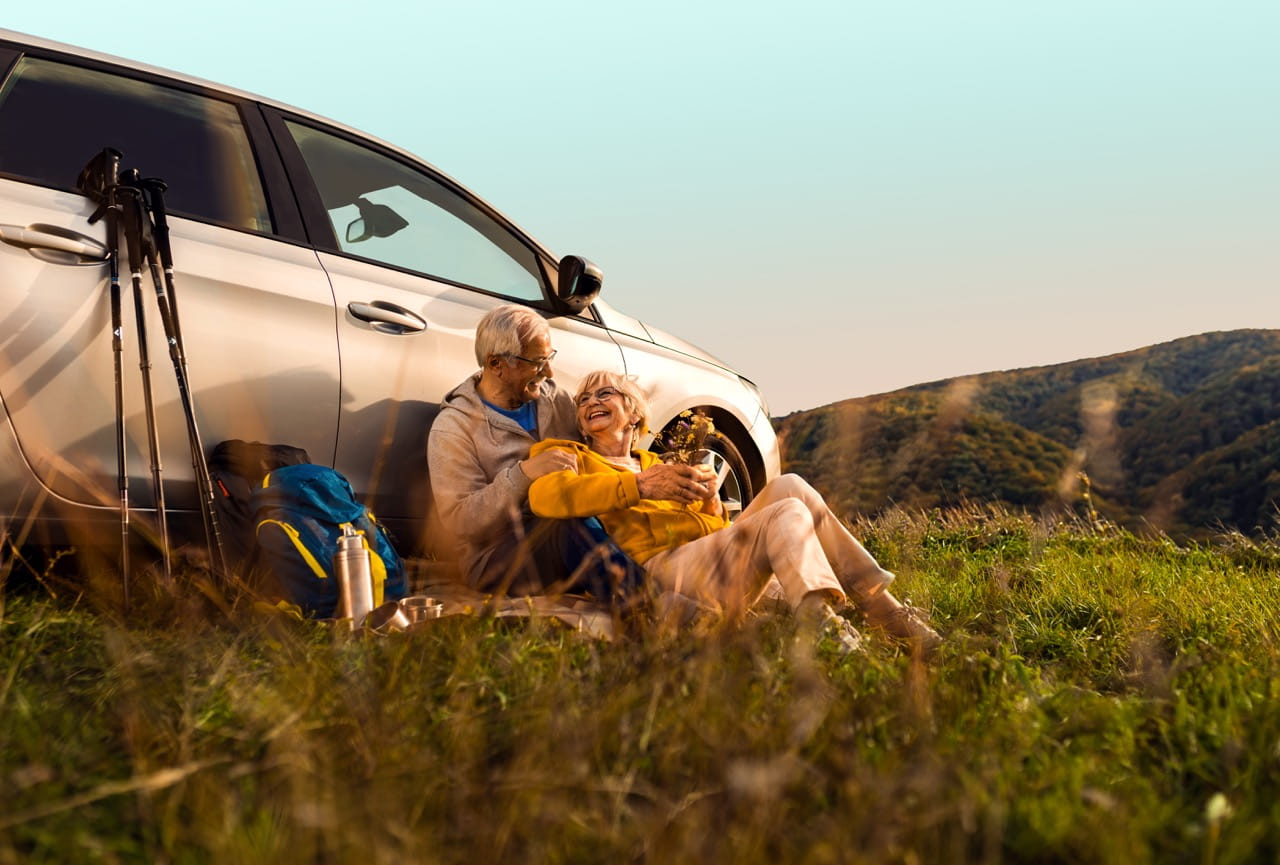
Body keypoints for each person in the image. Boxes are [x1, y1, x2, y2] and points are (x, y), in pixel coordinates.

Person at [526, 370, 943, 653]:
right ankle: (823, 626)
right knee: (785, 513)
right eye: (583, 399)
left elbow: (714, 529)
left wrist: (709, 500)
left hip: (705, 560)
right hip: (660, 569)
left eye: (604, 394)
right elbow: (544, 497)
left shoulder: (658, 463)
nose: (591, 402)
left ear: (634, 412)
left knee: (790, 486)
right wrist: (638, 486)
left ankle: (883, 606)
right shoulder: (570, 455)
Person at [427, 304, 590, 595]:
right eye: (537, 362)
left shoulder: (557, 400)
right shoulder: (453, 428)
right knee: (570, 526)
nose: (549, 372)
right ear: (496, 364)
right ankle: (647, 603)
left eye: (549, 358)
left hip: (564, 534)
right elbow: (459, 522)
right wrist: (523, 474)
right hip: (495, 559)